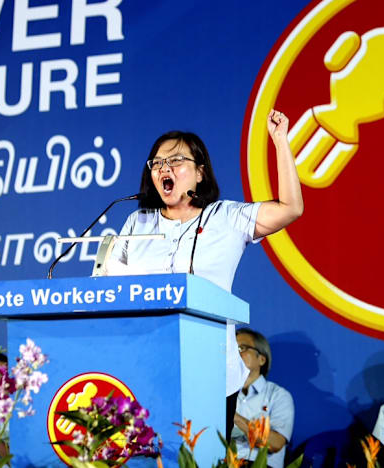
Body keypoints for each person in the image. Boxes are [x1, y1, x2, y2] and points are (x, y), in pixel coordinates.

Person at [107, 110, 303, 435]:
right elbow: (107, 287)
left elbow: (291, 208)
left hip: (211, 372)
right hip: (143, 368)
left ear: (200, 172)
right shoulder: (136, 223)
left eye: (176, 161)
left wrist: (280, 141)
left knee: (201, 455)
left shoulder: (227, 217)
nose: (164, 168)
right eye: (157, 163)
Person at [231, 328, 294, 468]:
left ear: (261, 359)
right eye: (232, 349)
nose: (235, 353)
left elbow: (276, 443)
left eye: (242, 348)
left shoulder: (278, 395)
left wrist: (234, 416)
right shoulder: (222, 394)